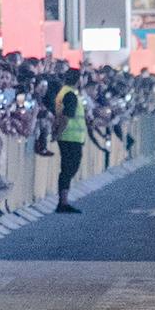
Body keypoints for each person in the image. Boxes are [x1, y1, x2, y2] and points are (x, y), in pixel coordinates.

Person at [53, 67, 88, 212]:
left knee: (68, 169)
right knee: (69, 169)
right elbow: (66, 118)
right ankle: (63, 202)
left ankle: (63, 201)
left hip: (70, 137)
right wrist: (58, 133)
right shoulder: (70, 95)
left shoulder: (65, 92)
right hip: (69, 138)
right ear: (78, 79)